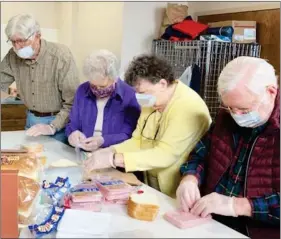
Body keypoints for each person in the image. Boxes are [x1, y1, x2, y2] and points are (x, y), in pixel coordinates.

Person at [177, 57, 280, 239]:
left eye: (244, 109)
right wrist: (190, 178)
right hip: (211, 222)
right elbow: (201, 153)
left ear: (271, 92)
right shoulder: (227, 116)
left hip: (256, 231)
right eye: (230, 107)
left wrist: (238, 206)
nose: (236, 115)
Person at [84, 54, 212, 197]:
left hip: (175, 188)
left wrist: (114, 159)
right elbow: (138, 140)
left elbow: (165, 155)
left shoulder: (188, 107)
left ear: (162, 84)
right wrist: (110, 150)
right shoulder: (152, 100)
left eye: (143, 92)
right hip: (150, 181)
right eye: (137, 93)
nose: (140, 97)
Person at [0, 14, 80, 144]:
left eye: (21, 40)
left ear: (37, 36)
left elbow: (73, 102)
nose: (17, 47)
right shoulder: (12, 56)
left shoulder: (61, 56)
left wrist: (52, 126)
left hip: (58, 123)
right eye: (13, 41)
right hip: (31, 120)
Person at [65, 49, 141, 152]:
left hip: (112, 153)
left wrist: (103, 141)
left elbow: (128, 134)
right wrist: (72, 134)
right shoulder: (82, 90)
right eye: (93, 85)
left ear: (114, 77)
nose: (98, 89)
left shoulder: (129, 94)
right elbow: (72, 123)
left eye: (102, 85)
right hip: (84, 151)